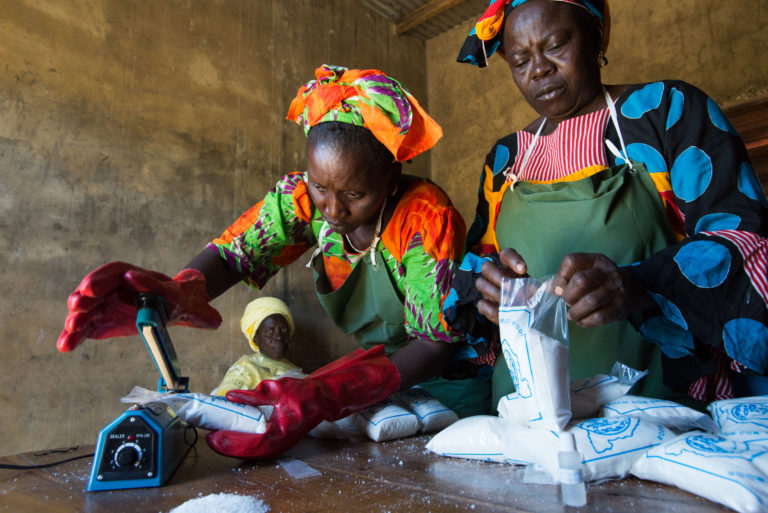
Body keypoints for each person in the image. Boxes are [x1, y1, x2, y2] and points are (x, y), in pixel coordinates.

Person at [57, 64, 490, 460]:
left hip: (449, 377)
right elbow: (234, 255)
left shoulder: (424, 218)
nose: (333, 210)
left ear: (390, 179)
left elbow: (435, 344)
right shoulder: (302, 201)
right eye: (320, 187)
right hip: (379, 376)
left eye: (354, 195)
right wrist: (176, 294)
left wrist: (328, 393)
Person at [446, 0, 768, 409]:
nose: (539, 69)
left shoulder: (665, 111)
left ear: (596, 36)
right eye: (520, 61)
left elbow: (746, 245)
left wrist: (639, 285)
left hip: (659, 403)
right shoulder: (504, 160)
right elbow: (478, 266)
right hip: (526, 410)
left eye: (556, 46)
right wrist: (489, 284)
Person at [211, 297, 303, 397]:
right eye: (270, 332)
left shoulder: (295, 371)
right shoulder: (245, 369)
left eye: (284, 331)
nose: (279, 337)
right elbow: (225, 402)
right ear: (256, 338)